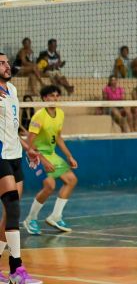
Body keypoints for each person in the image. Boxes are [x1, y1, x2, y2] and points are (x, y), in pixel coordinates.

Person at [0, 53, 41, 283]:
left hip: (15, 155)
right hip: (0, 156)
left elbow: (14, 128)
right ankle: (17, 270)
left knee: (10, 214)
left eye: (7, 63)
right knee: (13, 208)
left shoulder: (13, 90)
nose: (8, 66)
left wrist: (27, 148)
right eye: (2, 63)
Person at [23, 85, 79, 235]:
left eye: (56, 95)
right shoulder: (39, 116)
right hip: (34, 155)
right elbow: (29, 143)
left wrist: (69, 155)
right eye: (51, 96)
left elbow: (58, 138)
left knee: (71, 179)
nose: (54, 98)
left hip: (51, 154)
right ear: (44, 98)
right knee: (49, 185)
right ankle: (30, 219)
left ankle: (56, 216)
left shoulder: (60, 114)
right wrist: (42, 160)